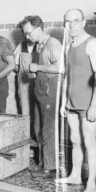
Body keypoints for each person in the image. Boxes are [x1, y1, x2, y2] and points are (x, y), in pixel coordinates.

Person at [56, 9, 96, 192]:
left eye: (75, 21)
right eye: (67, 22)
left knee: (90, 143)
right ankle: (75, 176)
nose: (71, 25)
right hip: (72, 102)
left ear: (83, 22)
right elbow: (67, 76)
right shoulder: (68, 45)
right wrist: (65, 100)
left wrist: (94, 106)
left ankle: (91, 184)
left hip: (88, 103)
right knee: (75, 140)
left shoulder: (92, 44)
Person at [19, 15, 62, 177]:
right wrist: (34, 73)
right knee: (38, 128)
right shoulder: (38, 46)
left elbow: (60, 67)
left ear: (38, 28)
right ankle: (42, 162)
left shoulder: (53, 44)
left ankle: (50, 167)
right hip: (39, 89)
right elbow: (42, 68)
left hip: (50, 91)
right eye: (25, 34)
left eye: (28, 33)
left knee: (48, 129)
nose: (26, 36)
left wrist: (37, 66)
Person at [14, 31, 40, 161]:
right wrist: (21, 73)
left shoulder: (41, 46)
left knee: (37, 115)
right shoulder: (21, 46)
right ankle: (27, 144)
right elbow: (15, 65)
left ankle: (38, 147)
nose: (27, 36)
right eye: (25, 34)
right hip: (23, 83)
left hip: (38, 83)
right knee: (25, 113)